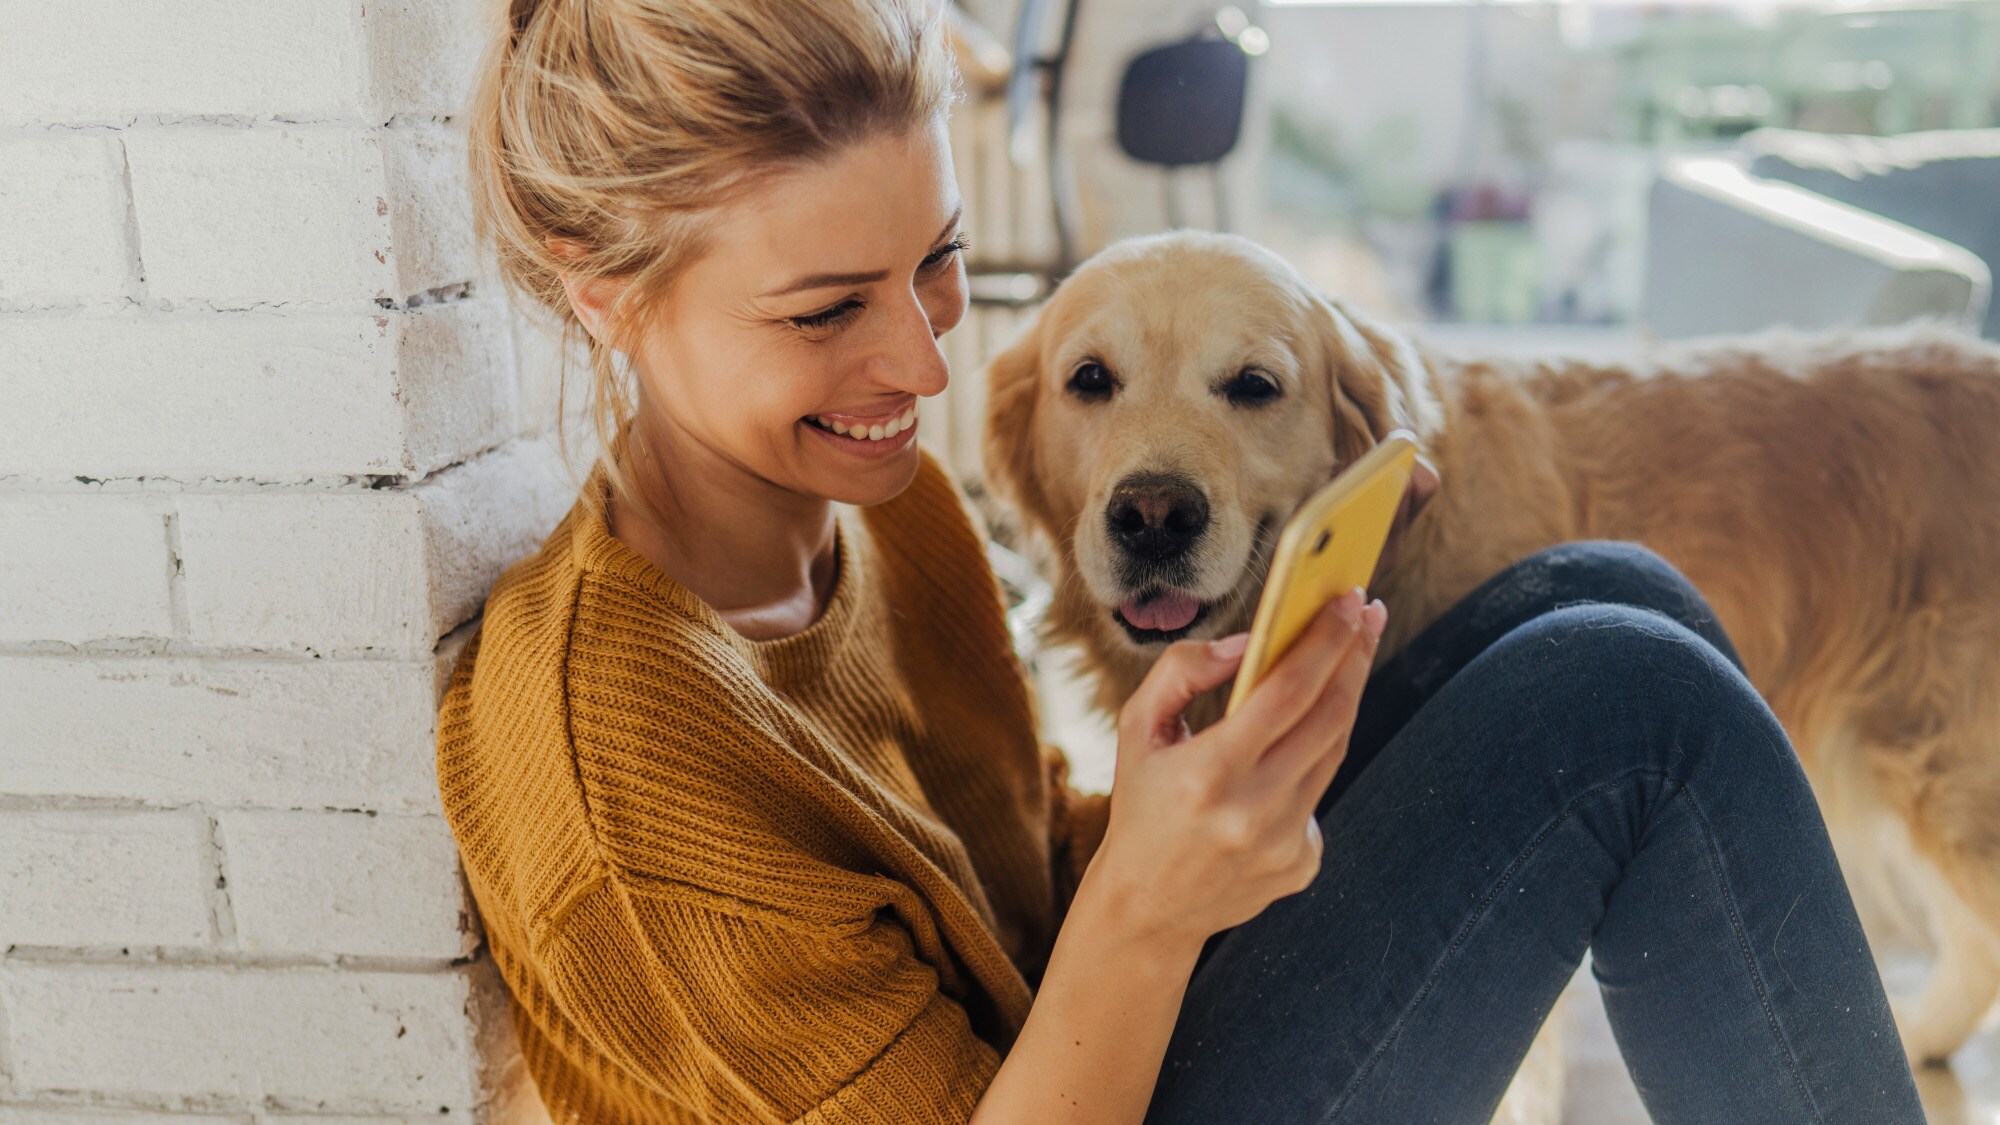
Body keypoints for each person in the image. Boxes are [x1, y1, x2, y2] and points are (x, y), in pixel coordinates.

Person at [438, 0, 1928, 1120]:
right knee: (1621, 703)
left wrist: (1173, 809)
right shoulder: (626, 771)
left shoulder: (869, 506)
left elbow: (1005, 865)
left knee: (1607, 600)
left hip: (1100, 1047)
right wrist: (1153, 891)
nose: (921, 356)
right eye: (828, 308)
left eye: (937, 264)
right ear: (610, 304)